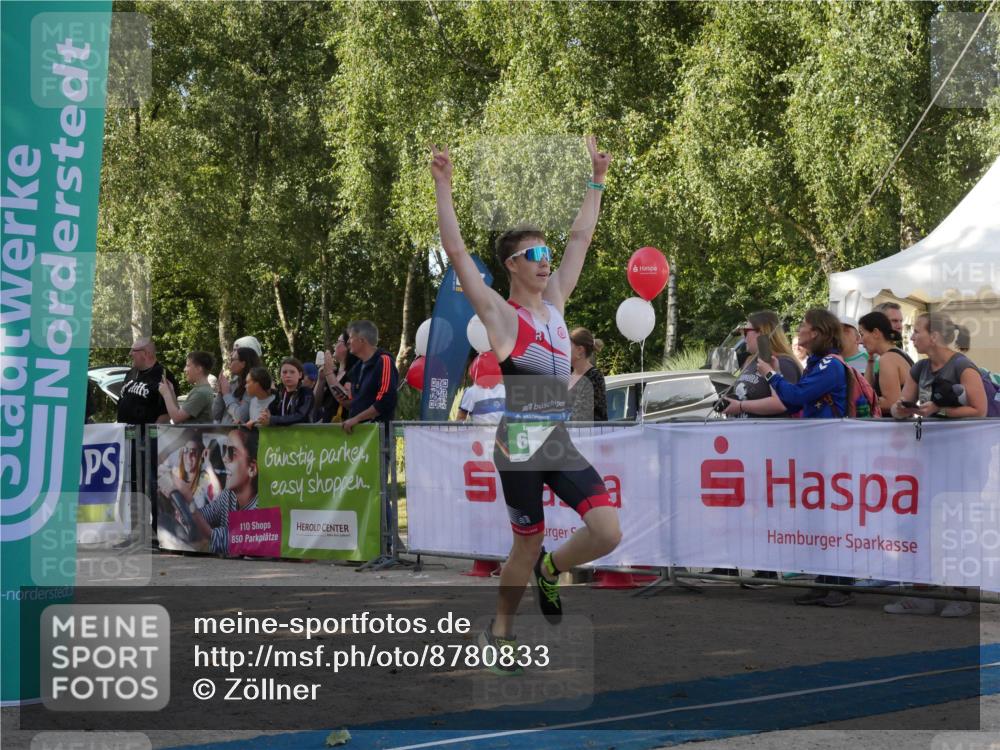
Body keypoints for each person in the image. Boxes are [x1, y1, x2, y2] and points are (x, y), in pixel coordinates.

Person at [432, 136, 621, 672]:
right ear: (513, 266)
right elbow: (458, 253)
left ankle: (550, 571)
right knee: (523, 542)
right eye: (534, 255)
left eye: (546, 253)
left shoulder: (558, 301)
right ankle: (502, 631)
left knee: (607, 532)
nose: (545, 261)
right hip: (518, 442)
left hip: (554, 438)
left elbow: (581, 238)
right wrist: (444, 186)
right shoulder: (500, 315)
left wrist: (596, 179)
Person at [885, 312, 986, 618]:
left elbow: (979, 411)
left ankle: (960, 594)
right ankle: (922, 594)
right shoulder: (919, 367)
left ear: (936, 336)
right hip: (927, 459)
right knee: (920, 524)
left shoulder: (963, 367)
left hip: (963, 461)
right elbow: (900, 405)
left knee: (956, 526)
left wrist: (940, 410)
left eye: (916, 332)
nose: (911, 337)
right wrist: (902, 409)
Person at [757, 308, 854, 606]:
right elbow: (796, 396)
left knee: (833, 520)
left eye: (803, 325)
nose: (798, 330)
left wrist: (771, 374)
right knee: (818, 519)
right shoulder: (817, 363)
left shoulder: (830, 365)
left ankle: (840, 585)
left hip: (832, 454)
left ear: (817, 332)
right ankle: (824, 581)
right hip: (819, 453)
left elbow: (796, 397)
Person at [189, 428, 259, 556]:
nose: (225, 458)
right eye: (224, 450)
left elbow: (218, 539)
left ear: (252, 468)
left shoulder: (261, 506)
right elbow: (207, 514)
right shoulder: (228, 495)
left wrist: (188, 502)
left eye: (232, 452)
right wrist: (185, 513)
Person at [721, 311, 801, 419]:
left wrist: (741, 406)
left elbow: (781, 403)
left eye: (746, 332)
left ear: (761, 332)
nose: (744, 338)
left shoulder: (783, 363)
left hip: (770, 433)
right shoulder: (750, 361)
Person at [339, 320, 399, 434]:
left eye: (351, 337)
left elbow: (385, 401)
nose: (347, 342)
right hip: (357, 436)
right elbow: (357, 403)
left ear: (362, 340)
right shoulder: (357, 368)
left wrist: (356, 419)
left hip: (378, 437)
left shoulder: (384, 361)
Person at [858, 311, 912, 414]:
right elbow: (867, 388)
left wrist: (858, 403)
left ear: (876, 333)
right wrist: (870, 360)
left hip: (893, 427)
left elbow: (891, 402)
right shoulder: (896, 354)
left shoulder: (888, 359)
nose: (860, 341)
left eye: (862, 334)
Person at [313, 333, 359, 423]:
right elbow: (314, 404)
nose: (335, 345)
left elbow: (349, 403)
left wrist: (329, 374)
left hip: (346, 431)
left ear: (348, 345)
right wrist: (321, 379)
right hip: (328, 431)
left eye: (338, 341)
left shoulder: (356, 372)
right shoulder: (333, 373)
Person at [159, 351, 215, 424]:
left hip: (197, 435)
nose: (184, 369)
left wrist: (166, 394)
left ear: (199, 369)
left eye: (188, 365)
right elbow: (180, 414)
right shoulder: (200, 389)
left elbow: (176, 418)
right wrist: (171, 392)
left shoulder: (201, 393)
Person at [259, 357, 314, 427]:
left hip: (303, 436)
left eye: (292, 372)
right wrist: (261, 418)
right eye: (284, 372)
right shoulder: (279, 394)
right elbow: (268, 413)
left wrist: (273, 420)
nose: (288, 375)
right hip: (281, 436)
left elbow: (301, 416)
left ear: (300, 375)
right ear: (280, 375)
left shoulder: (306, 393)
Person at [568, 328, 608, 421]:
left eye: (567, 346)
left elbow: (580, 415)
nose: (563, 350)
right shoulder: (568, 372)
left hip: (590, 435)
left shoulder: (594, 376)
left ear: (580, 350)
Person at [214, 347, 262, 424]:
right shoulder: (234, 383)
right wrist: (221, 392)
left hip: (240, 434)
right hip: (223, 433)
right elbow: (214, 415)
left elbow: (241, 417)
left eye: (232, 360)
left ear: (243, 364)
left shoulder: (254, 386)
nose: (230, 363)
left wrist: (226, 394)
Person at [457, 356, 506, 425]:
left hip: (500, 434)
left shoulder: (505, 390)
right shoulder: (471, 392)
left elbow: (460, 418)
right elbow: (460, 418)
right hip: (479, 434)